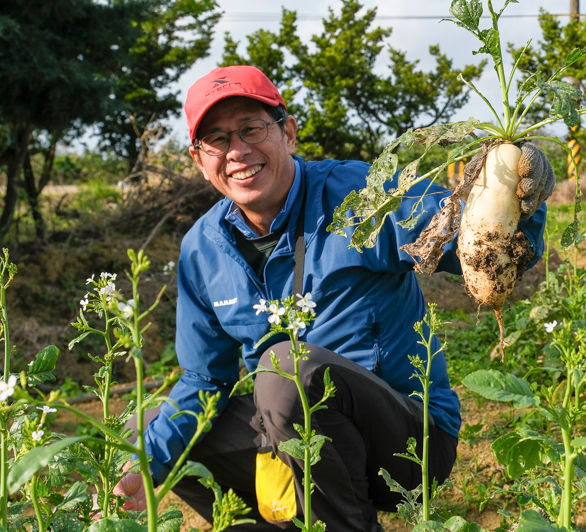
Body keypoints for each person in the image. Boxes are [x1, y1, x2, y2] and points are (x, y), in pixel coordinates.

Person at [114, 65, 552, 532]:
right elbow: (205, 378)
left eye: (251, 129)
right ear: (200, 161)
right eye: (217, 140)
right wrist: (145, 464)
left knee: (286, 370)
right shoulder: (203, 250)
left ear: (288, 133)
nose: (237, 151)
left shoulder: (359, 196)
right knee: (148, 429)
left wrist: (515, 197)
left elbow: (474, 240)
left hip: (408, 441)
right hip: (287, 437)